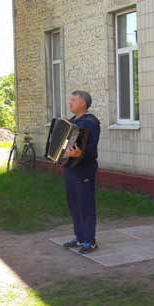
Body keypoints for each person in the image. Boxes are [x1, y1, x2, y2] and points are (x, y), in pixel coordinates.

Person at [61, 91, 101, 254]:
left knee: (85, 204)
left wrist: (80, 154)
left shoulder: (91, 122)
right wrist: (63, 154)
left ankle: (90, 241)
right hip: (70, 169)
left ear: (83, 103)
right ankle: (79, 237)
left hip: (85, 169)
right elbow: (64, 145)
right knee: (74, 204)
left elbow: (91, 150)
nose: (69, 102)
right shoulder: (71, 122)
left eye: (73, 100)